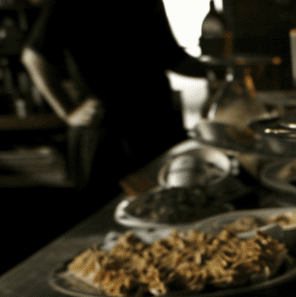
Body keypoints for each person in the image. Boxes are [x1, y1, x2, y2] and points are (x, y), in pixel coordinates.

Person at [21, 0, 209, 206]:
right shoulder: (68, 3)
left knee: (167, 209)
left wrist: (229, 70)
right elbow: (34, 56)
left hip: (155, 125)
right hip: (107, 134)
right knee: (107, 216)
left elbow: (173, 58)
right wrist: (68, 112)